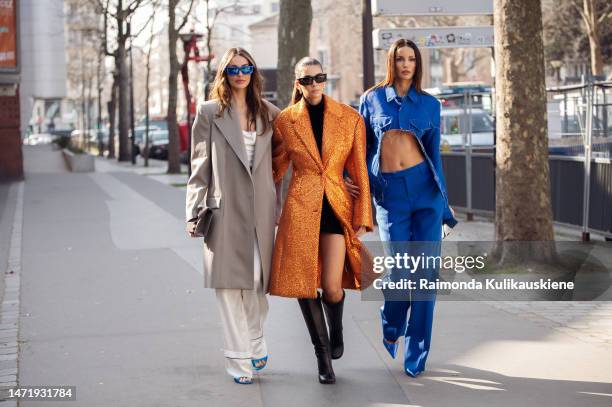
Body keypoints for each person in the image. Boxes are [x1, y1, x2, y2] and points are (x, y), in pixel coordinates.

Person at [355, 38, 458, 377]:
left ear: (417, 64)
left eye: (411, 59)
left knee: (425, 277)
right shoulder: (372, 99)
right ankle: (391, 322)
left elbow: (435, 157)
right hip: (390, 195)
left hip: (425, 192)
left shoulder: (429, 104)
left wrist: (444, 207)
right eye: (400, 59)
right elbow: (362, 149)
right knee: (399, 272)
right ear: (391, 62)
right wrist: (362, 200)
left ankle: (417, 353)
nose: (405, 64)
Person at [270, 57, 373, 384]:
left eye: (319, 78)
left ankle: (336, 327)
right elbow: (275, 167)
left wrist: (362, 213)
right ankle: (322, 356)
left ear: (326, 79)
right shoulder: (286, 121)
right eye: (306, 80)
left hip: (335, 206)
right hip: (300, 207)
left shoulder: (349, 118)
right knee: (304, 285)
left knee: (330, 286)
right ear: (297, 83)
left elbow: (359, 170)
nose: (313, 84)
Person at [185, 47, 280, 385]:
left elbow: (286, 161)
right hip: (223, 207)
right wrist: (194, 210)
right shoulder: (210, 112)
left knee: (256, 281)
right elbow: (199, 165)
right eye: (233, 69)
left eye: (246, 68)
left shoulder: (270, 113)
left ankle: (255, 340)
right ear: (223, 74)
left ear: (254, 72)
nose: (240, 74)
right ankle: (239, 359)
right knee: (228, 286)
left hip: (261, 210)